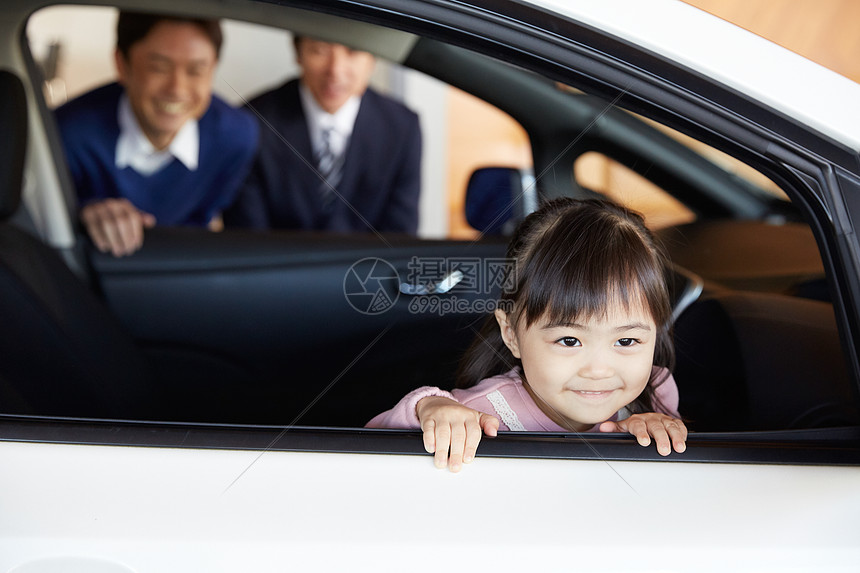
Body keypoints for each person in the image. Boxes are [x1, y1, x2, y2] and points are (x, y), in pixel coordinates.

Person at [367, 198, 688, 471]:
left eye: (626, 341)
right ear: (511, 334)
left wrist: (658, 431)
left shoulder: (655, 393)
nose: (599, 370)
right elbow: (367, 445)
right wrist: (429, 409)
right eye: (569, 340)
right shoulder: (482, 415)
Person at [55, 11, 258, 257]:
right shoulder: (66, 133)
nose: (177, 89)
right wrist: (83, 213)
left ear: (213, 68)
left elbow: (203, 220)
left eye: (196, 71)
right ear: (122, 64)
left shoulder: (237, 137)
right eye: (159, 68)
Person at [223, 36, 421, 233]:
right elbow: (248, 234)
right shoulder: (254, 122)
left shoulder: (402, 128)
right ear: (298, 52)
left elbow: (399, 237)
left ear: (372, 59)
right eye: (320, 50)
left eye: (352, 51)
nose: (335, 70)